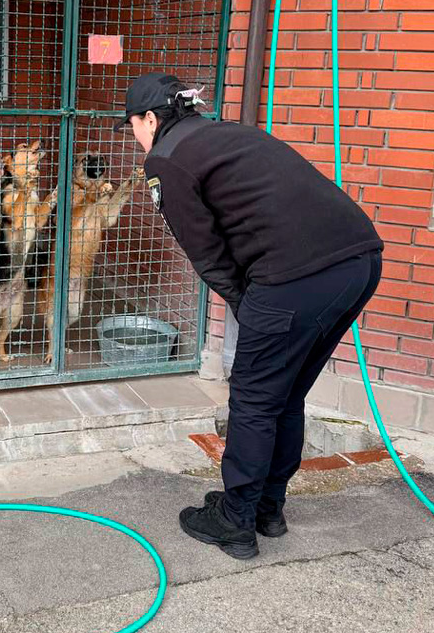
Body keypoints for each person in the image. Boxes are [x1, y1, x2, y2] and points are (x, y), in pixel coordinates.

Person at [115, 72, 384, 560]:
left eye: (132, 124)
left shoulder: (167, 158)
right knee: (285, 394)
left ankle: (235, 521)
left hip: (295, 276)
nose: (134, 135)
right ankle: (267, 508)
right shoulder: (228, 133)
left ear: (151, 118)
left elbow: (205, 252)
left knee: (256, 398)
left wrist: (247, 305)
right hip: (359, 261)